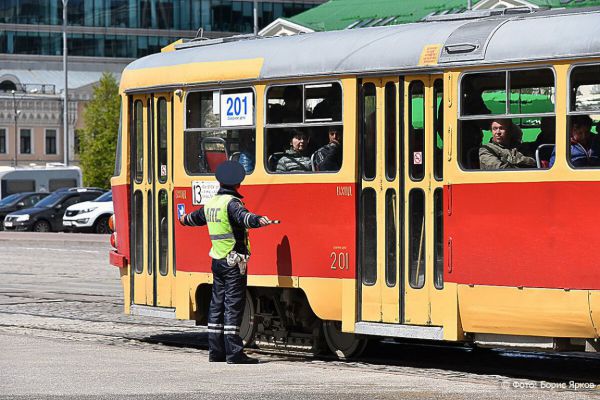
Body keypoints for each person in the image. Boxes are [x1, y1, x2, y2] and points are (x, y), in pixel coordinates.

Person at [179, 160, 272, 364]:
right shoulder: (232, 203)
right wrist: (258, 220)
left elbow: (191, 219)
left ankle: (216, 352)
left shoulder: (212, 204)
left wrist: (182, 218)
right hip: (233, 263)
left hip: (217, 260)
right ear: (238, 183)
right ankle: (234, 353)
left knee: (217, 305)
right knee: (233, 306)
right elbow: (243, 218)